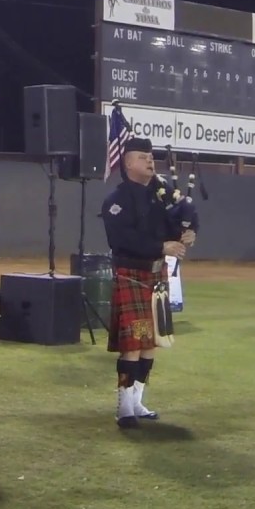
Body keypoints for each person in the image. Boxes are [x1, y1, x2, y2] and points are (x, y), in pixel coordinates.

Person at [100, 137, 195, 429]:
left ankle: (138, 401)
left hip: (156, 278)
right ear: (128, 162)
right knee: (132, 345)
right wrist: (161, 247)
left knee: (151, 343)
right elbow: (122, 240)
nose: (150, 161)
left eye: (151, 156)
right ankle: (124, 406)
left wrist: (189, 232)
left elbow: (182, 216)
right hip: (132, 274)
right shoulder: (116, 201)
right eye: (143, 157)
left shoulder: (163, 192)